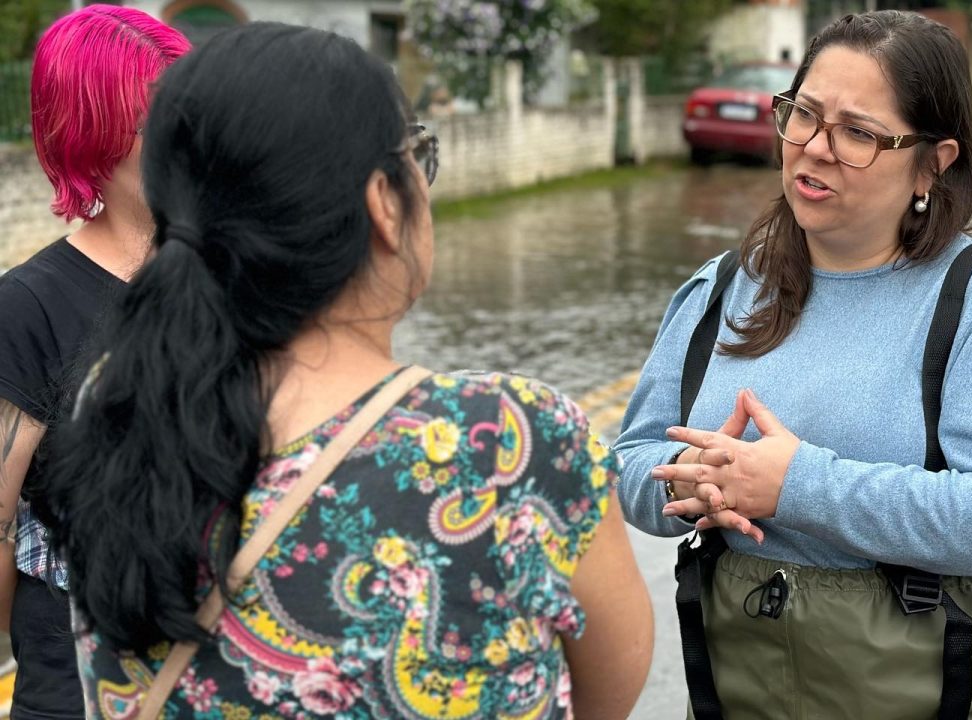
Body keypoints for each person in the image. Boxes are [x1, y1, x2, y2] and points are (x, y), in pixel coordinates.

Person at [40, 22, 652, 718]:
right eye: (417, 154)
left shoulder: (118, 405)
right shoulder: (513, 442)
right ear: (383, 204)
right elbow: (607, 696)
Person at [616, 10, 972, 719]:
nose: (815, 148)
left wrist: (797, 486)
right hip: (741, 693)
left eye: (858, 133)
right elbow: (630, 463)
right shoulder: (719, 290)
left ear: (934, 160)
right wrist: (690, 488)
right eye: (803, 115)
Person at [0, 7, 189, 719]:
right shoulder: (25, 308)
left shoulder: (226, 280)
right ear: (96, 131)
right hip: (76, 691)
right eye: (160, 116)